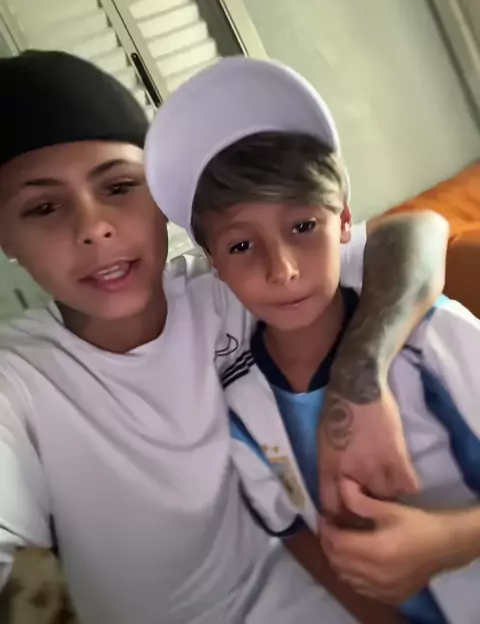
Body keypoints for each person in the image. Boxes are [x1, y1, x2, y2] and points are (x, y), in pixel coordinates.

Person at [0, 50, 447, 624]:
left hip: (324, 588)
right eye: (43, 207)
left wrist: (361, 377)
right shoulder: (19, 378)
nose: (93, 228)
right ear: (6, 238)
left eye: (119, 187)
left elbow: (418, 232)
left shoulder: (235, 285)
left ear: (161, 198)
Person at [145, 56, 480, 624]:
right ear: (214, 263)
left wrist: (448, 542)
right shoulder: (240, 402)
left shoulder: (434, 339)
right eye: (241, 245)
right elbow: (297, 533)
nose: (282, 270)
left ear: (344, 222)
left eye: (303, 227)